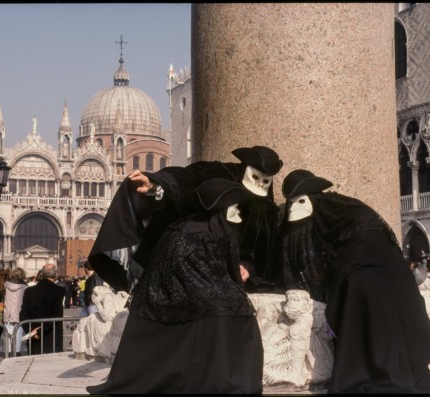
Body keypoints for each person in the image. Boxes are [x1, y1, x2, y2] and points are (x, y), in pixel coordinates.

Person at [276, 169, 430, 394]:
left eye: (300, 201)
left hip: (363, 278)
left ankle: (370, 376)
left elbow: (317, 262)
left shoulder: (338, 212)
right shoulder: (344, 208)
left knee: (366, 320)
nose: (294, 210)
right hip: (387, 276)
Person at [87, 178, 263, 394]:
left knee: (238, 313)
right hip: (179, 295)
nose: (237, 212)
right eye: (232, 206)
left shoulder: (212, 231)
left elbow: (225, 270)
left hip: (201, 293)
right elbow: (180, 269)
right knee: (224, 312)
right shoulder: (190, 232)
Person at [89, 145, 283, 293]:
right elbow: (183, 181)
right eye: (256, 177)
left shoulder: (264, 209)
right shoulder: (216, 175)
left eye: (266, 182)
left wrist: (247, 267)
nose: (259, 186)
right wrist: (155, 185)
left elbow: (260, 252)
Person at [19, 263, 65, 355]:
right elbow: (56, 314)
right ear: (56, 275)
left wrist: (31, 330)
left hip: (34, 336)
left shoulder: (29, 291)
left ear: (42, 274)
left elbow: (23, 314)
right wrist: (40, 332)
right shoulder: (59, 290)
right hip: (51, 335)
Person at [2, 267, 28, 356]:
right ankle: (16, 351)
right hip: (19, 313)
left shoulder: (5, 285)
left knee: (8, 332)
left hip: (7, 312)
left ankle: (9, 351)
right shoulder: (25, 287)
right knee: (18, 332)